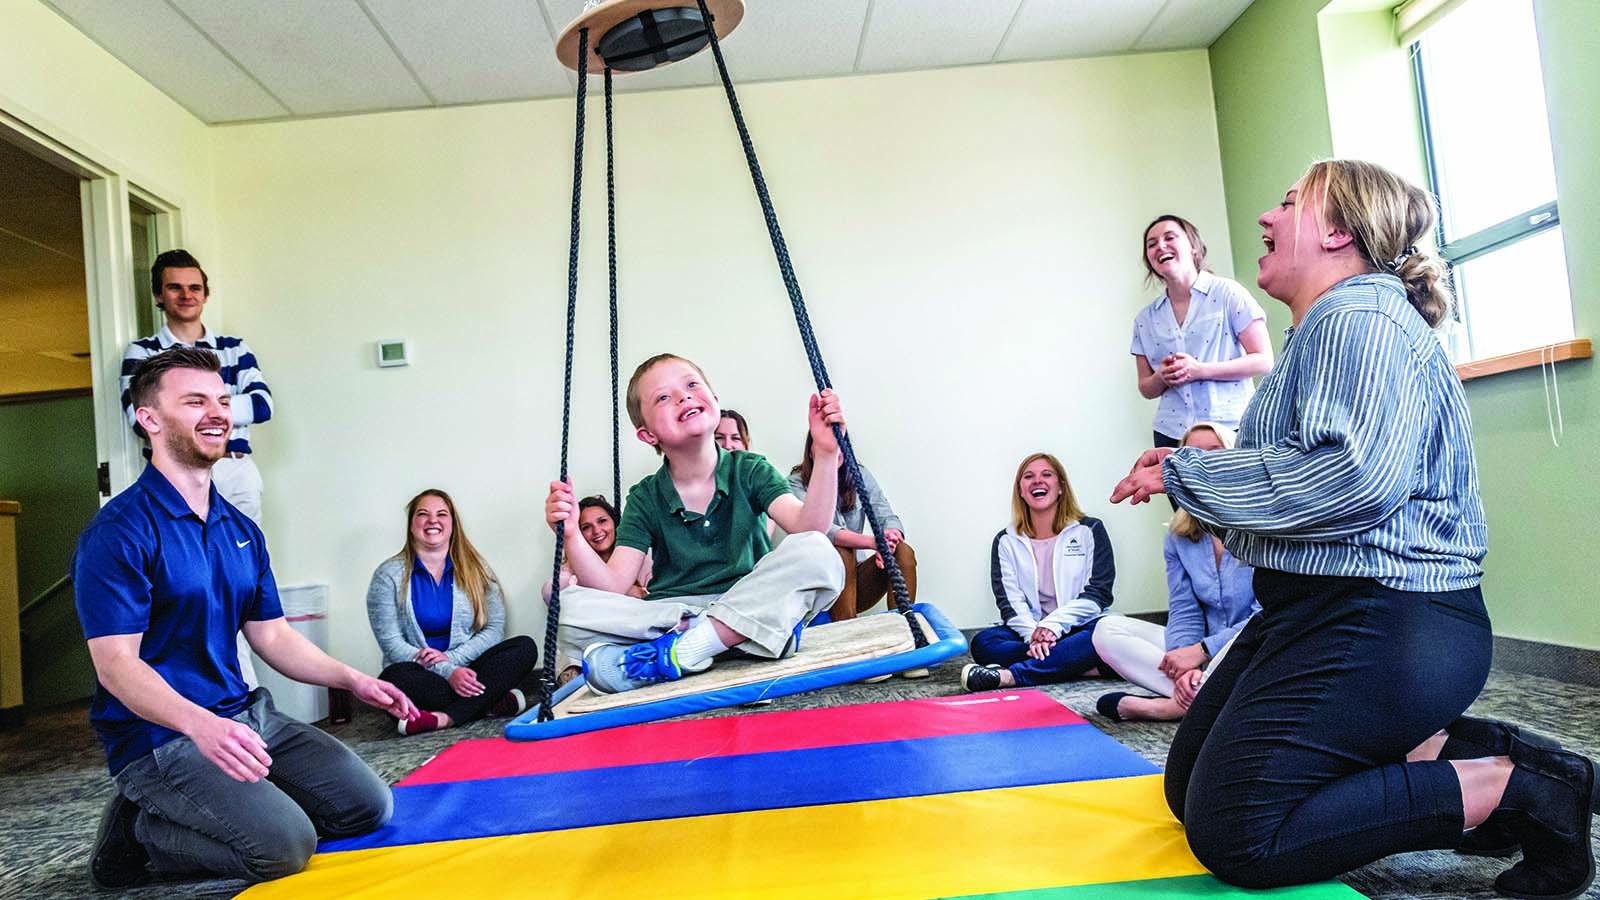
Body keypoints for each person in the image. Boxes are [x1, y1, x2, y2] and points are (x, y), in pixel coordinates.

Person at [1110, 159, 1596, 897]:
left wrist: (1188, 473)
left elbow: (1352, 480)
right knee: (1188, 785)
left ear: (1338, 232)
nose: (1267, 220)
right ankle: (1481, 760)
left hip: (1389, 617)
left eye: (1287, 203)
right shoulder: (1327, 328)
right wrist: (1190, 468)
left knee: (1238, 830)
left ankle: (1516, 787)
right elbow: (1301, 478)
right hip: (1320, 608)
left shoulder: (1359, 318)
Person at [75, 348, 412, 890]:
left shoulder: (239, 528)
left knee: (367, 807)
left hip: (244, 716)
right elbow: (116, 667)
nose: (217, 413)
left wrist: (354, 679)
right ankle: (140, 831)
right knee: (284, 849)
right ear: (150, 419)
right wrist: (200, 725)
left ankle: (230, 807)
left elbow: (271, 635)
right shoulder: (118, 532)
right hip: (162, 737)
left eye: (222, 400)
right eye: (195, 401)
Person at [543, 353, 847, 694]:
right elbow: (613, 585)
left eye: (691, 385)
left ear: (714, 402)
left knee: (817, 550)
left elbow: (810, 526)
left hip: (744, 595)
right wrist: (571, 534)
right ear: (647, 435)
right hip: (672, 614)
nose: (683, 396)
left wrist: (823, 454)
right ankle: (734, 636)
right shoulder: (645, 496)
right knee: (569, 606)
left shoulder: (749, 469)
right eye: (663, 397)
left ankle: (692, 647)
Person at [120, 249, 275, 688]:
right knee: (193, 591)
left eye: (194, 287)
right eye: (175, 287)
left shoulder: (234, 348)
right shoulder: (143, 352)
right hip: (178, 481)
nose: (186, 295)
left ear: (205, 294)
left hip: (236, 473)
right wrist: (225, 407)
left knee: (241, 589)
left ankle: (246, 695)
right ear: (158, 296)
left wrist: (193, 411)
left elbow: (263, 406)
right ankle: (214, 697)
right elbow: (137, 416)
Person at [1091, 423, 1259, 722]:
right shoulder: (1179, 534)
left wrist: (1204, 650)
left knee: (1248, 645)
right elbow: (1184, 609)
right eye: (1192, 455)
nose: (1203, 462)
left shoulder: (1259, 526)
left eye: (1214, 452)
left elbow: (1263, 617)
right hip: (1200, 655)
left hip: (1245, 646)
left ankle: (1171, 706)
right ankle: (1200, 696)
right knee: (1107, 630)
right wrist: (1186, 661)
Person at [367, 489, 539, 736]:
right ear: (411, 524)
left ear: (452, 523)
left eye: (441, 514)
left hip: (469, 669)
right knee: (392, 678)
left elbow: (495, 627)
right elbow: (392, 644)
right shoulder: (387, 576)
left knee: (524, 647)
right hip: (422, 674)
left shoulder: (477, 569)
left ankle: (444, 717)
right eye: (423, 514)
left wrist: (454, 663)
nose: (432, 521)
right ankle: (489, 702)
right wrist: (447, 672)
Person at [962, 452, 1114, 692]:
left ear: (1061, 486)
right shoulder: (1005, 540)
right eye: (1028, 477)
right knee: (984, 643)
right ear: (1021, 491)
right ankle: (1076, 664)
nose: (1037, 481)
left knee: (1106, 633)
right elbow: (1009, 604)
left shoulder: (1090, 529)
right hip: (1031, 630)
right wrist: (1035, 635)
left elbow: (1098, 595)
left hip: (1081, 626)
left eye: (1047, 475)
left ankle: (1011, 676)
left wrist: (1053, 627)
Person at [1130, 215, 1273, 448]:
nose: (1160, 246)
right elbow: (1146, 387)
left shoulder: (1228, 293)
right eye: (1151, 244)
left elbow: (1264, 361)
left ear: (1193, 246)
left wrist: (1200, 370)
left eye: (1170, 237)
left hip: (1231, 426)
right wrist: (1161, 377)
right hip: (1172, 432)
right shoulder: (1145, 319)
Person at [787, 433, 916, 620]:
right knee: (842, 549)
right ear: (811, 452)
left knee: (903, 551)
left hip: (856, 581)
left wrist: (890, 537)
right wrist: (872, 542)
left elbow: (885, 515)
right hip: (819, 588)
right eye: (825, 446)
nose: (833, 451)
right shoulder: (795, 483)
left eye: (838, 445)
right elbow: (826, 532)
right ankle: (848, 633)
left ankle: (905, 628)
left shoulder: (860, 475)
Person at [541, 495, 654, 680]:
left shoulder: (638, 560)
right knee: (568, 610)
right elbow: (550, 593)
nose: (596, 531)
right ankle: (576, 676)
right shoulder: (572, 568)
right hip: (594, 642)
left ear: (615, 524)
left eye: (602, 521)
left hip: (632, 637)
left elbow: (658, 596)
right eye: (586, 527)